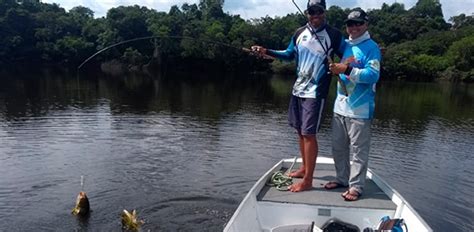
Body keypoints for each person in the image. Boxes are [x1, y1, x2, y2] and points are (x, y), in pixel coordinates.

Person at [252, 0, 345, 192]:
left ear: (324, 12)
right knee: (300, 132)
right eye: (312, 11)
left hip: (315, 92)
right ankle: (304, 168)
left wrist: (345, 67)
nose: (315, 15)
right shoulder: (298, 33)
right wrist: (266, 51)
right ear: (307, 13)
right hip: (298, 90)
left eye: (319, 11)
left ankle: (308, 180)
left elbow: (348, 55)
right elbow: (288, 54)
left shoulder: (334, 35)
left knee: (309, 134)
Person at [325, 8, 382, 201]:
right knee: (338, 147)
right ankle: (342, 179)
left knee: (358, 151)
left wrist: (347, 69)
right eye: (350, 24)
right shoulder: (346, 45)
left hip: (360, 109)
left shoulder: (371, 47)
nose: (354, 27)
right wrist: (335, 68)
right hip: (340, 107)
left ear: (366, 24)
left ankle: (356, 187)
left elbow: (373, 75)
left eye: (358, 23)